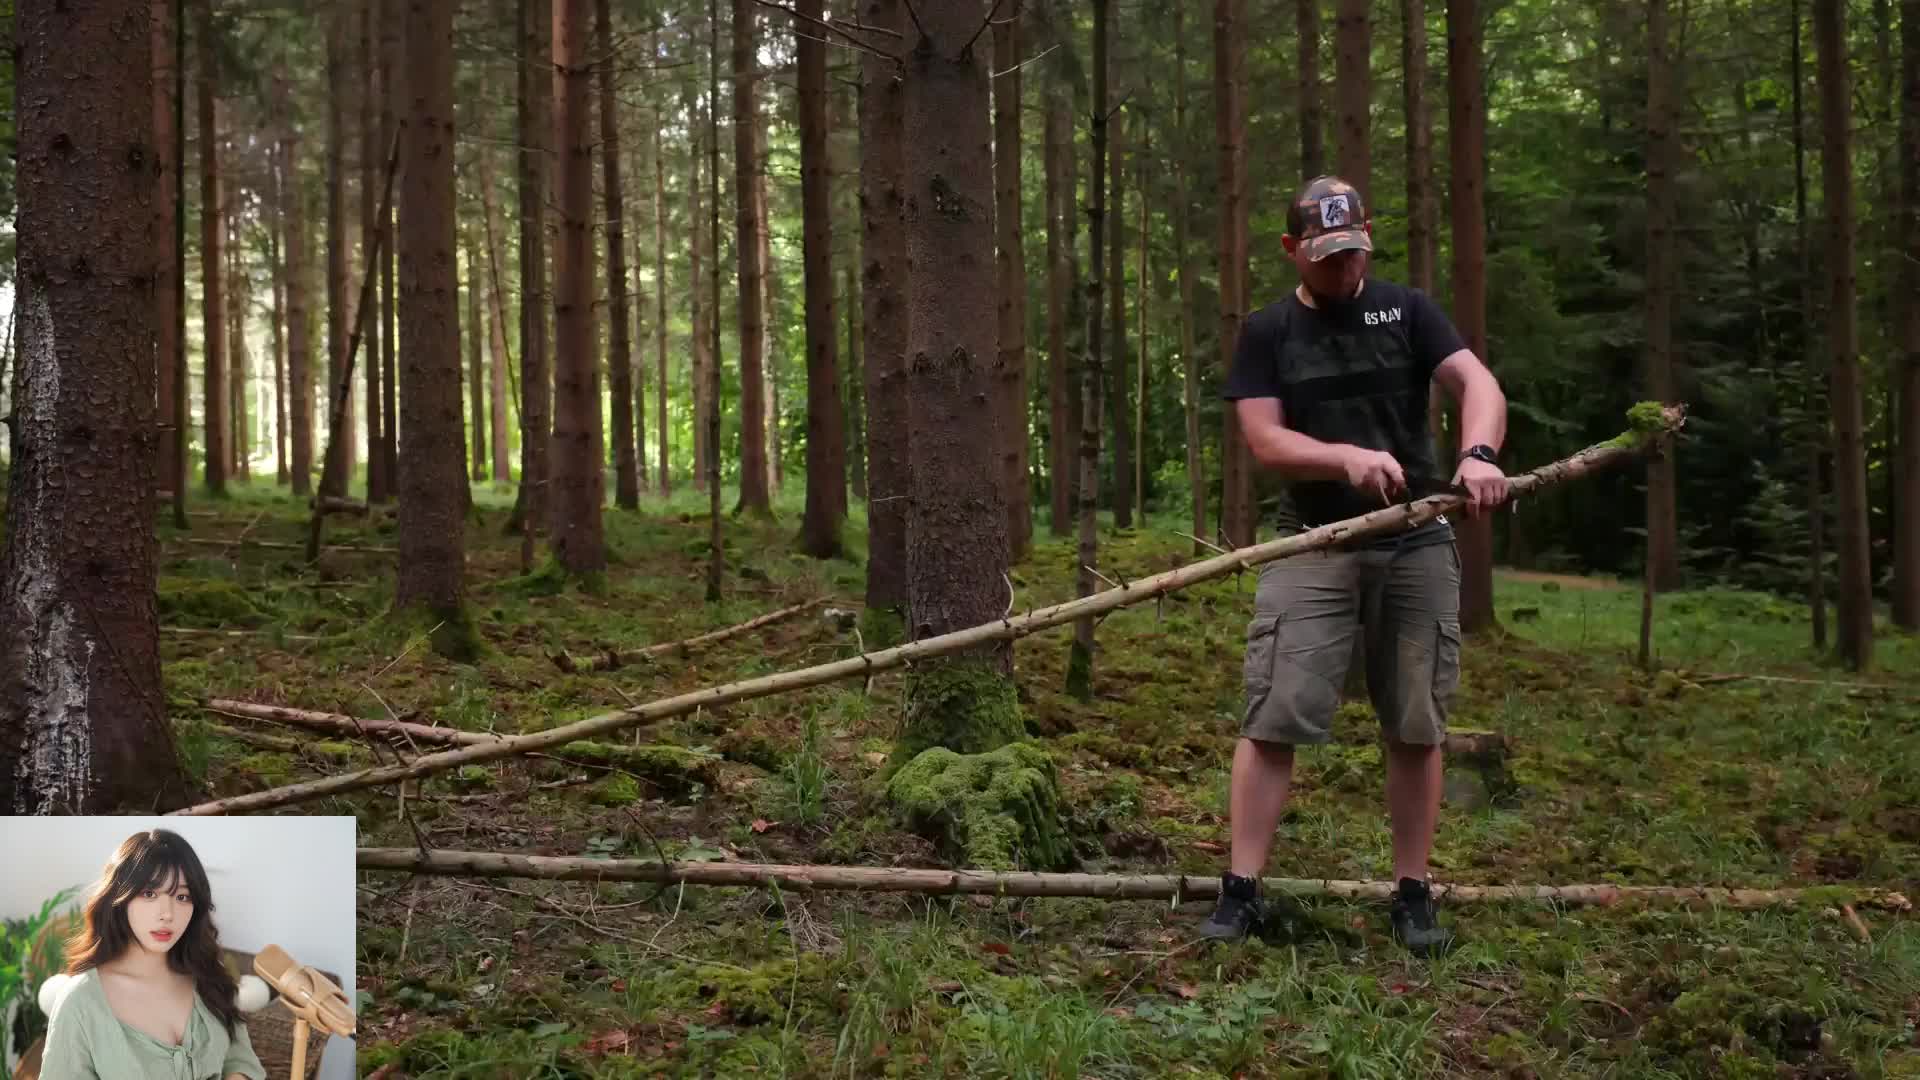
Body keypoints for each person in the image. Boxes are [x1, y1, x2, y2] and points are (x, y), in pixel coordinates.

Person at [1202, 175, 1510, 954]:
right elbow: (1266, 439)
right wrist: (1343, 458)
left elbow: (1476, 382)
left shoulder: (1408, 312)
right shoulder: (1269, 332)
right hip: (1313, 542)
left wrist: (1478, 453)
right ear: (1291, 251)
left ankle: (1412, 894)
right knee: (1275, 711)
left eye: (1354, 252)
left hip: (1416, 542)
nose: (1344, 269)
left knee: (1416, 721)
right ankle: (1242, 891)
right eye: (1327, 257)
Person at [38, 829, 268, 1080]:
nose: (167, 914)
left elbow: (241, 1061)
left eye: (182, 896)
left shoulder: (209, 977)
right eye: (149, 894)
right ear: (119, 898)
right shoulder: (80, 1002)